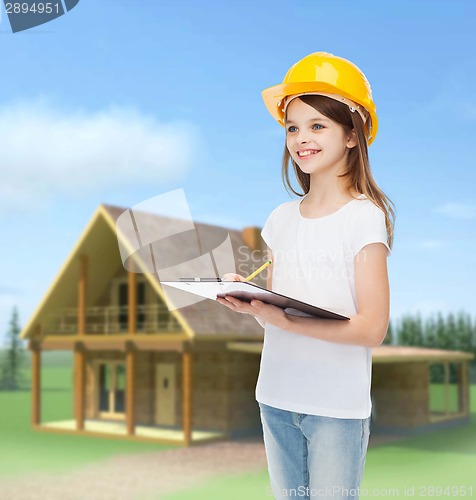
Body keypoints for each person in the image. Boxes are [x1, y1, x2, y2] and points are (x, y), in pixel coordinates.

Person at [216, 51, 395, 499]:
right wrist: (249, 300)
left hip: (335, 407)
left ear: (352, 135)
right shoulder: (280, 218)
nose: (301, 138)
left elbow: (371, 329)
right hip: (275, 395)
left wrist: (286, 321)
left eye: (318, 126)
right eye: (293, 127)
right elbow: (278, 310)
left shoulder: (364, 218)